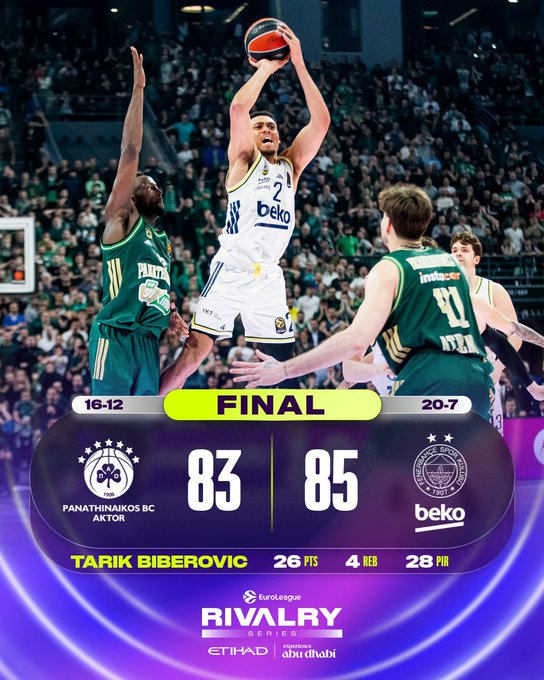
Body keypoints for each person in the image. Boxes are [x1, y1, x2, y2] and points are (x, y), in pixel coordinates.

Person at [159, 24, 330, 393]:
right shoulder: (243, 160)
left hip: (268, 275)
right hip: (233, 268)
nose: (267, 129)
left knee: (280, 365)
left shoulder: (290, 166)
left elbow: (321, 123)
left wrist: (299, 64)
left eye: (272, 126)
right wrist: (267, 67)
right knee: (193, 355)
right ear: (249, 136)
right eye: (259, 126)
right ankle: (147, 410)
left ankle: (273, 423)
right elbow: (238, 107)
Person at [231, 184, 494, 419]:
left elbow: (356, 340)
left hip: (429, 382)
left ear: (388, 225)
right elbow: (484, 327)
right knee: (459, 459)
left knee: (398, 454)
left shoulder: (390, 268)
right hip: (477, 379)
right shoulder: (452, 264)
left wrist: (285, 370)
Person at [89, 47, 187, 396]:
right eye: (148, 185)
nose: (157, 189)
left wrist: (170, 311)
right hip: (116, 334)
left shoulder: (162, 242)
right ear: (131, 196)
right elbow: (130, 152)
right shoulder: (121, 221)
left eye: (158, 186)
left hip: (148, 341)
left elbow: (153, 285)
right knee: (110, 420)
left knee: (144, 419)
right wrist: (139, 89)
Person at [450, 231, 521, 433]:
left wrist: (497, 369)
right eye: (454, 250)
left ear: (477, 259)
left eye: (464, 250)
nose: (458, 253)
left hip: (484, 376)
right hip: (450, 379)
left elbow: (515, 336)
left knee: (490, 442)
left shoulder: (493, 290)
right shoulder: (441, 289)